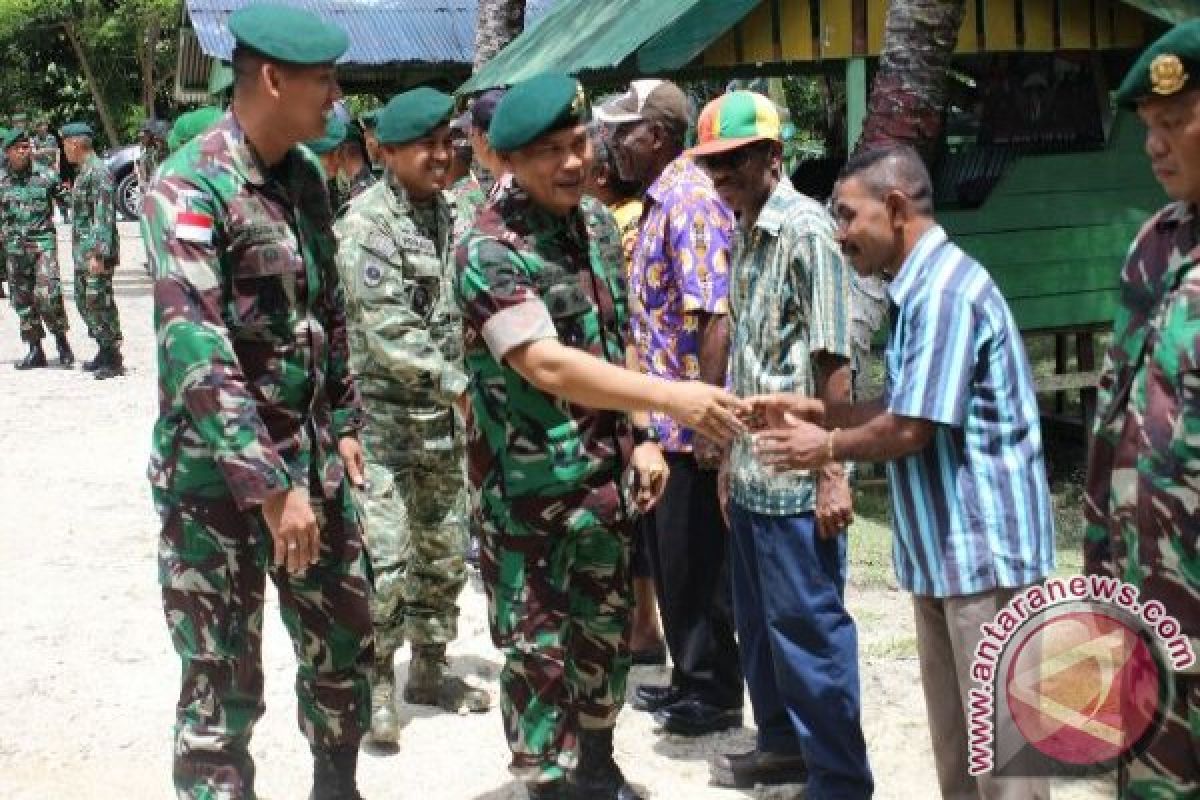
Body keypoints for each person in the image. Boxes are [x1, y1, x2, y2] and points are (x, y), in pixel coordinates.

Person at [456, 71, 747, 800]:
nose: (572, 161)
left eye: (578, 141)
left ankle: (597, 763)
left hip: (604, 489)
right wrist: (672, 399)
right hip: (527, 500)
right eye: (548, 150)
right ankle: (545, 783)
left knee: (602, 641)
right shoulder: (487, 249)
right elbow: (546, 361)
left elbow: (618, 338)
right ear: (509, 162)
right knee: (537, 655)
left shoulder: (592, 226)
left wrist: (645, 434)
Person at [750, 143, 1056, 799]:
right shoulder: (916, 291)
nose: (840, 234)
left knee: (1007, 769)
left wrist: (823, 449)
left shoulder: (944, 291)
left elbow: (912, 430)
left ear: (894, 208)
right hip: (947, 560)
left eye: (848, 216)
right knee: (961, 754)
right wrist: (817, 410)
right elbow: (904, 400)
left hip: (985, 561)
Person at [140, 5, 374, 798]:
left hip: (310, 467)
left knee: (343, 640)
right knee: (220, 683)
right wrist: (272, 489)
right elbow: (195, 350)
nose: (336, 97)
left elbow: (325, 309)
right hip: (216, 486)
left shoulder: (305, 176)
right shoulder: (188, 185)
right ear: (272, 79)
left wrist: (342, 421)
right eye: (325, 81)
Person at [690, 91, 871, 797]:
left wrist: (834, 471)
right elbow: (749, 359)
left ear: (772, 156)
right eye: (711, 164)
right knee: (760, 629)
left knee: (811, 633)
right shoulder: (746, 227)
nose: (720, 175)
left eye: (733, 160)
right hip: (754, 472)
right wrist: (730, 463)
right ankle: (782, 747)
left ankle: (839, 778)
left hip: (800, 481)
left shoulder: (805, 232)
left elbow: (834, 365)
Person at [334, 87, 491, 748]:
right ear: (386, 151)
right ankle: (377, 682)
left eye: (447, 141)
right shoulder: (366, 223)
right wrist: (458, 383)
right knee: (388, 562)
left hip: (446, 427)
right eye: (423, 145)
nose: (440, 154)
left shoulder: (463, 211)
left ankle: (429, 670)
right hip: (385, 430)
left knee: (445, 554)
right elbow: (388, 325)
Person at [597, 80, 744, 736]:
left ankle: (711, 692)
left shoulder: (690, 201)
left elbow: (713, 313)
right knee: (673, 565)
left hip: (688, 428)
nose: (612, 144)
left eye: (622, 132)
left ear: (654, 135)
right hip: (663, 425)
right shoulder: (657, 201)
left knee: (698, 568)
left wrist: (708, 422)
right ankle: (689, 678)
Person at [1086, 20, 1200, 799]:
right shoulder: (1155, 245)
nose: (1155, 146)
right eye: (1147, 129)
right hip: (1150, 617)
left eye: (1175, 122)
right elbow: (1111, 427)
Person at [584, 119, 666, 667]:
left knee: (638, 534)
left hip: (633, 396)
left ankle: (645, 627)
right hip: (630, 399)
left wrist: (646, 424)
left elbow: (627, 328)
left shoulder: (618, 225)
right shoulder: (612, 220)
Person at [0, 127, 73, 368]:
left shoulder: (46, 174)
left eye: (26, 147)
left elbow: (69, 200)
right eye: (19, 148)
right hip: (14, 249)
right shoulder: (2, 180)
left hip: (43, 244)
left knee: (48, 294)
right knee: (22, 300)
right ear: (8, 152)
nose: (24, 151)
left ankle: (61, 340)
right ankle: (35, 349)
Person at [61, 122, 123, 379]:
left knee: (100, 302)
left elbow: (103, 216)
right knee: (84, 301)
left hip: (95, 253)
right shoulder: (84, 171)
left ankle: (113, 355)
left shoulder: (98, 172)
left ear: (75, 143)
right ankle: (103, 347)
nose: (64, 150)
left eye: (64, 144)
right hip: (82, 252)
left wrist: (98, 254)